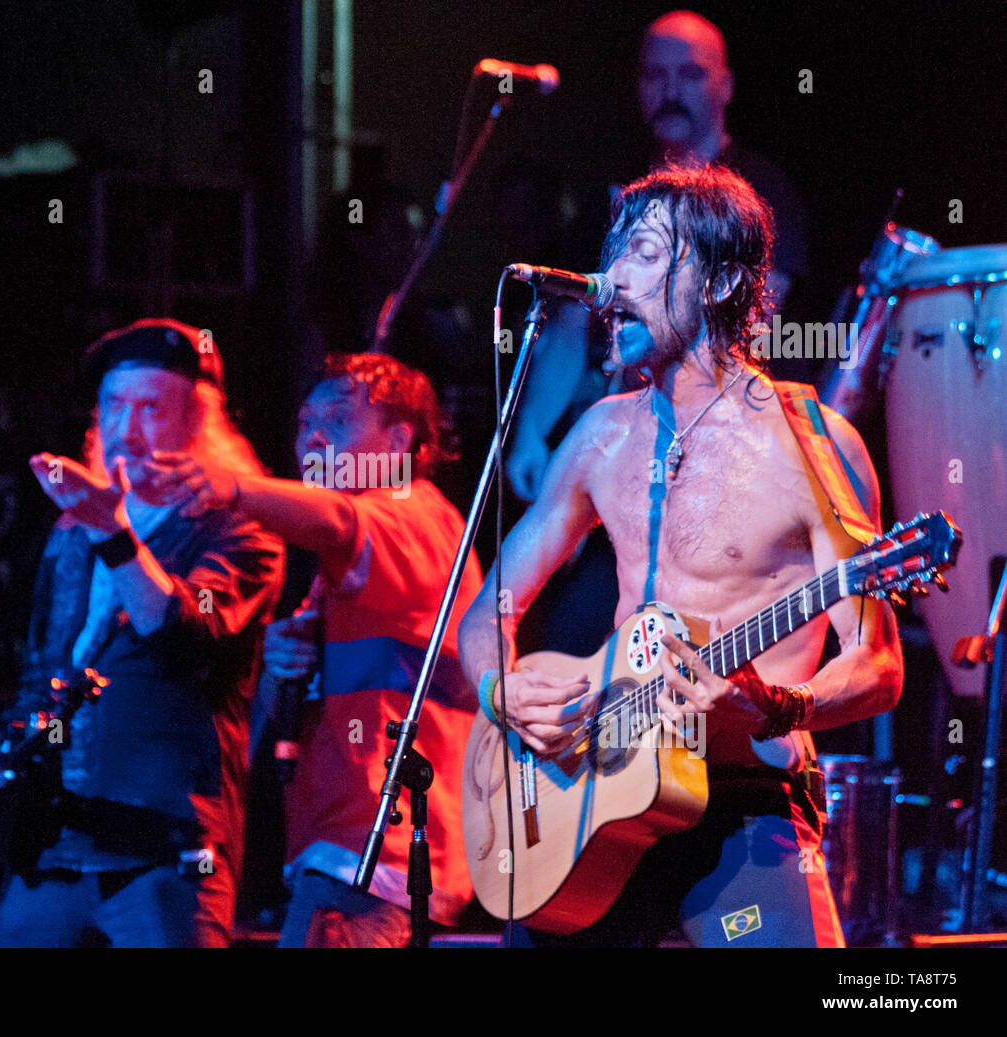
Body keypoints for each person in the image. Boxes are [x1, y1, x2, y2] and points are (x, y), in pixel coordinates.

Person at [458, 163, 903, 947]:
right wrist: (501, 689)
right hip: (593, 798)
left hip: (744, 795)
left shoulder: (813, 446)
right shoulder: (602, 433)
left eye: (646, 253)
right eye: (614, 252)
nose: (612, 276)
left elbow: (878, 665)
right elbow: (489, 609)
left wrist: (781, 705)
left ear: (723, 280)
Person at [142, 353, 482, 947]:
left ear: (398, 439)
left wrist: (235, 490)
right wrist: (286, 659)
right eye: (305, 422)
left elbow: (337, 519)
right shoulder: (348, 568)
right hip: (358, 845)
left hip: (375, 847)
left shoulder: (411, 512)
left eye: (339, 421)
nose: (314, 436)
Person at [0, 318, 284, 947]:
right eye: (115, 406)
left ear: (197, 422)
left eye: (152, 408)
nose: (128, 429)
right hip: (56, 846)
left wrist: (113, 533)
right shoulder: (72, 530)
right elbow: (43, 674)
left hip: (167, 850)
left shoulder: (237, 531)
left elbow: (186, 636)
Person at [508, 9, 809, 505]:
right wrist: (532, 431)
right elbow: (566, 322)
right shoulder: (619, 187)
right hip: (618, 442)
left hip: (716, 449)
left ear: (726, 86)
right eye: (655, 75)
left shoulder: (761, 190)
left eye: (690, 74)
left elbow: (755, 324)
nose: (671, 91)